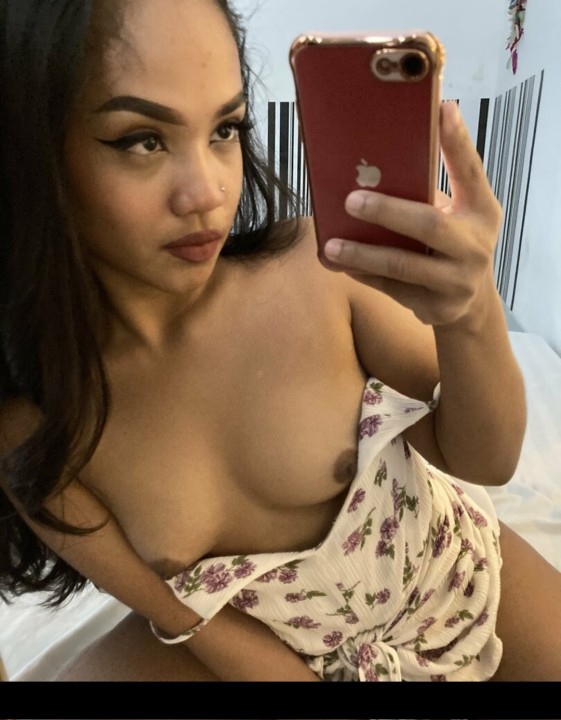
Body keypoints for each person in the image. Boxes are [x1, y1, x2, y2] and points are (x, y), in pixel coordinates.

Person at [0, 0, 560, 683]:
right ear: (29, 153)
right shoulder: (35, 419)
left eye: (225, 128)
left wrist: (471, 315)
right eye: (142, 140)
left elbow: (487, 459)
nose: (208, 192)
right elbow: (176, 612)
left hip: (448, 576)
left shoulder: (316, 271)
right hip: (253, 638)